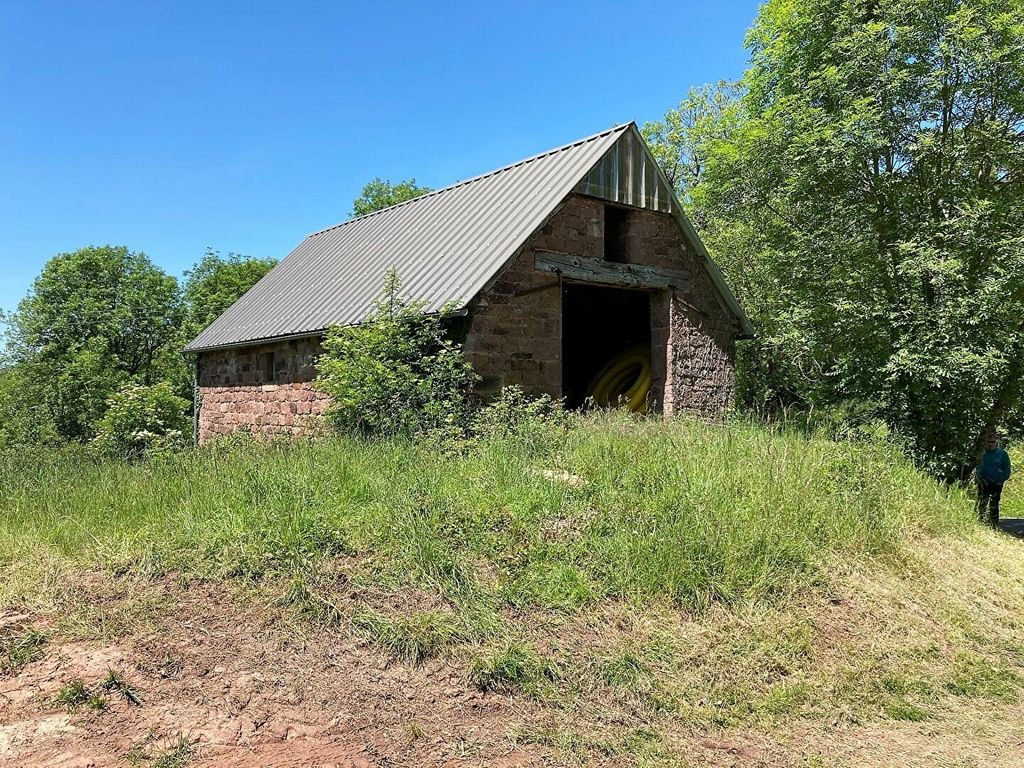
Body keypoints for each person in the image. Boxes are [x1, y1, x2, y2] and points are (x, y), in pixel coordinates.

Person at [976, 436, 1012, 526]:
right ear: (985, 443)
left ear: (996, 443)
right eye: (988, 442)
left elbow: (1007, 468)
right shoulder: (982, 454)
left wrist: (1001, 480)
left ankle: (993, 523)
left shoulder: (1002, 454)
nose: (990, 444)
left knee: (994, 502)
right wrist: (979, 477)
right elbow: (978, 466)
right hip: (983, 481)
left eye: (992, 442)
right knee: (982, 501)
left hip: (996, 482)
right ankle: (980, 522)